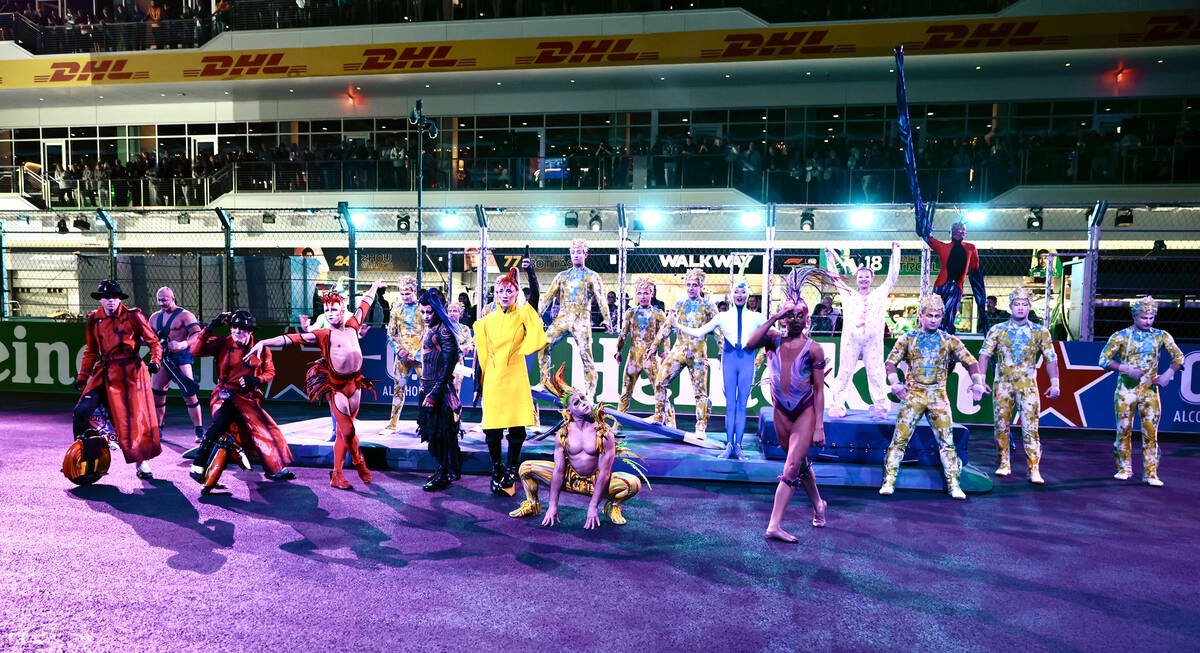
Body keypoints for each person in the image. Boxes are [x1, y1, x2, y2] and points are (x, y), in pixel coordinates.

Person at [250, 280, 386, 489]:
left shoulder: (352, 326)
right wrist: (264, 342)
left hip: (355, 383)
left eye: (334, 309)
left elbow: (364, 305)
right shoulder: (324, 334)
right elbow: (292, 339)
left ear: (342, 311)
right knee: (348, 431)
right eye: (327, 310)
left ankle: (337, 475)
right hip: (338, 387)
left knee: (342, 433)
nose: (330, 313)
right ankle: (359, 462)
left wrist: (375, 288)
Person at [745, 267, 832, 542]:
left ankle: (774, 525)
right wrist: (773, 318)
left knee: (791, 466)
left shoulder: (815, 348)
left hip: (804, 411)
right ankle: (818, 503)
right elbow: (749, 344)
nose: (794, 320)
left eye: (800, 315)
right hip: (781, 412)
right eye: (789, 315)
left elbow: (818, 391)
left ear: (807, 318)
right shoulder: (772, 340)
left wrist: (818, 426)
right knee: (800, 464)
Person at [509, 365, 647, 528]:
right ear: (569, 410)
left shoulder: (603, 433)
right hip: (569, 478)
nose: (583, 403)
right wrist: (553, 505)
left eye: (583, 398)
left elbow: (605, 473)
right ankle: (532, 504)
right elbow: (558, 470)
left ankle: (612, 506)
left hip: (594, 482)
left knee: (633, 483)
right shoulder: (563, 433)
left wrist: (593, 507)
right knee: (526, 468)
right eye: (577, 402)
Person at [880, 294, 989, 500]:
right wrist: (895, 383)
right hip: (914, 394)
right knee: (899, 439)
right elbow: (891, 362)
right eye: (929, 315)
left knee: (947, 442)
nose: (933, 319)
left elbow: (971, 361)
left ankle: (953, 484)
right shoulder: (908, 338)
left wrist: (977, 383)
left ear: (942, 317)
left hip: (939, 395)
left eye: (937, 316)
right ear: (920, 316)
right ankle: (889, 480)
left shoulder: (948, 340)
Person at [189, 310, 294, 494]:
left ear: (251, 331)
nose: (238, 331)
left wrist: (256, 380)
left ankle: (276, 469)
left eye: (243, 328)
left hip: (248, 400)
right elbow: (195, 351)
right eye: (235, 327)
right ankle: (198, 465)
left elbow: (270, 373)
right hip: (224, 396)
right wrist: (210, 327)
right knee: (222, 423)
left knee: (267, 431)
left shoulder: (262, 348)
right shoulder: (222, 343)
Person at [72, 280, 163, 480]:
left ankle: (142, 462)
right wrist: (83, 376)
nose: (110, 301)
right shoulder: (94, 319)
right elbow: (91, 350)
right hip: (105, 373)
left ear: (119, 299)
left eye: (114, 297)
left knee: (133, 422)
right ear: (100, 299)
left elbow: (154, 343)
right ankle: (86, 458)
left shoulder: (134, 316)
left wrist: (155, 362)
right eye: (106, 297)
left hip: (131, 375)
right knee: (81, 412)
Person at [474, 265, 548, 495]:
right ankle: (496, 468)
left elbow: (535, 297)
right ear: (494, 294)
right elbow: (481, 355)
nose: (504, 295)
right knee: (492, 430)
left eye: (509, 291)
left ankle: (512, 468)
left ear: (517, 294)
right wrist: (479, 384)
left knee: (517, 429)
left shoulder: (523, 316)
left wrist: (531, 273)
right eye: (500, 291)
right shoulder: (485, 322)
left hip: (516, 378)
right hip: (494, 379)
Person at [673, 276, 765, 459]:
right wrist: (677, 324)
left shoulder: (757, 317)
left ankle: (738, 447)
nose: (740, 295)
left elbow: (774, 333)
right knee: (730, 405)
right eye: (737, 292)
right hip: (730, 362)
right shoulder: (722, 317)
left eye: (743, 292)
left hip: (747, 362)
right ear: (731, 295)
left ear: (748, 295)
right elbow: (700, 332)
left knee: (742, 406)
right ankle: (729, 445)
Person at [1098, 296, 1184, 486]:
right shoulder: (1121, 335)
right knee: (1123, 430)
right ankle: (1124, 468)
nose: (1148, 321)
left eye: (1151, 318)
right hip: (1125, 391)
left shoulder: (1161, 335)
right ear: (1135, 316)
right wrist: (1126, 369)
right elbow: (1103, 360)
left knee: (1151, 432)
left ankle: (1151, 473)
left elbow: (1179, 357)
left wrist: (1168, 374)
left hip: (1150, 391)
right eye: (1144, 317)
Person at [977, 287, 1059, 484]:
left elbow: (1051, 358)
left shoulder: (1040, 331)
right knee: (1001, 425)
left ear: (1030, 307)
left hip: (1028, 384)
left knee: (1031, 426)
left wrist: (1055, 383)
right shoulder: (998, 330)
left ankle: (1034, 469)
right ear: (1011, 306)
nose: (1020, 308)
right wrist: (979, 381)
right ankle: (1003, 463)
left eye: (1024, 304)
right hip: (1002, 384)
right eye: (1017, 304)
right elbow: (984, 355)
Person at [823, 243, 901, 420]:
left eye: (867, 276)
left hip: (873, 342)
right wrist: (829, 257)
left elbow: (892, 277)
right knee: (844, 371)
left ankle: (880, 406)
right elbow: (835, 278)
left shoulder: (879, 294)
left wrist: (896, 252)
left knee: (876, 372)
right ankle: (837, 405)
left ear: (872, 278)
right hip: (851, 340)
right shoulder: (848, 294)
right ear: (856, 279)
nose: (864, 279)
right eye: (861, 277)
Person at [538, 238, 613, 399]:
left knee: (586, 355)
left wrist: (607, 319)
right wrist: (537, 314)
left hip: (582, 318)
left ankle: (590, 394)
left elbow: (601, 298)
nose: (575, 255)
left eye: (579, 252)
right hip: (563, 317)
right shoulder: (562, 276)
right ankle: (543, 382)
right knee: (542, 345)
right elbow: (548, 296)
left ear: (585, 254)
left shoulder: (592, 276)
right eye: (573, 253)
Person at [652, 268, 719, 441]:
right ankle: (662, 416)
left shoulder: (708, 306)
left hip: (697, 353)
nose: (690, 288)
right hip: (679, 349)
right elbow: (667, 326)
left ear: (701, 286)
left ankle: (701, 425)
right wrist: (654, 346)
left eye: (694, 285)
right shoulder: (679, 304)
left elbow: (718, 329)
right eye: (688, 285)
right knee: (660, 382)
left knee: (700, 392)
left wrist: (721, 349)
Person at [415, 290, 463, 492]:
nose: (426, 316)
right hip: (429, 388)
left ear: (437, 310)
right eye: (423, 312)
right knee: (436, 433)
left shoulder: (443, 331)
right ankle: (445, 469)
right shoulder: (433, 328)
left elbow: (449, 363)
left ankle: (444, 472)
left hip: (439, 391)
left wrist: (434, 394)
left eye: (429, 312)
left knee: (442, 433)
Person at [148, 286, 205, 442]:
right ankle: (158, 428)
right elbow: (147, 337)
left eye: (164, 299)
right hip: (163, 357)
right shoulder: (154, 318)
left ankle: (199, 430)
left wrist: (183, 344)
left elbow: (197, 334)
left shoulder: (185, 315)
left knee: (189, 394)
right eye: (159, 300)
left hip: (181, 357)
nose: (161, 303)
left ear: (172, 298)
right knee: (157, 393)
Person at [916, 218, 987, 334]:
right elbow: (927, 237)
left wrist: (980, 295)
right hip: (941, 287)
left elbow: (975, 271)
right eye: (955, 230)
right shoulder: (943, 247)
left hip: (955, 288)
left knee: (949, 319)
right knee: (934, 315)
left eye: (962, 230)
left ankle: (945, 342)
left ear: (966, 233)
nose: (959, 232)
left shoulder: (971, 248)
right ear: (950, 232)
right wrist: (922, 217)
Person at [613, 277, 669, 422]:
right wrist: (618, 351)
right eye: (639, 293)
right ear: (636, 294)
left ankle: (669, 422)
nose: (642, 297)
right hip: (633, 358)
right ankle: (618, 424)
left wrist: (666, 351)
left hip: (650, 357)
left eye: (646, 293)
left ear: (652, 294)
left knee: (659, 388)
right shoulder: (630, 312)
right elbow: (623, 334)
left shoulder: (658, 313)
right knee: (626, 391)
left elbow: (665, 334)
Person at [383, 275, 424, 433]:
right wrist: (399, 350)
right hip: (402, 356)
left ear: (414, 291)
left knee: (425, 390)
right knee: (398, 389)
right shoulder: (396, 309)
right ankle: (392, 423)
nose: (405, 297)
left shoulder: (423, 308)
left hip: (420, 356)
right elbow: (390, 333)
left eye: (408, 293)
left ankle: (424, 424)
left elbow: (427, 331)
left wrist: (415, 352)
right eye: (402, 294)